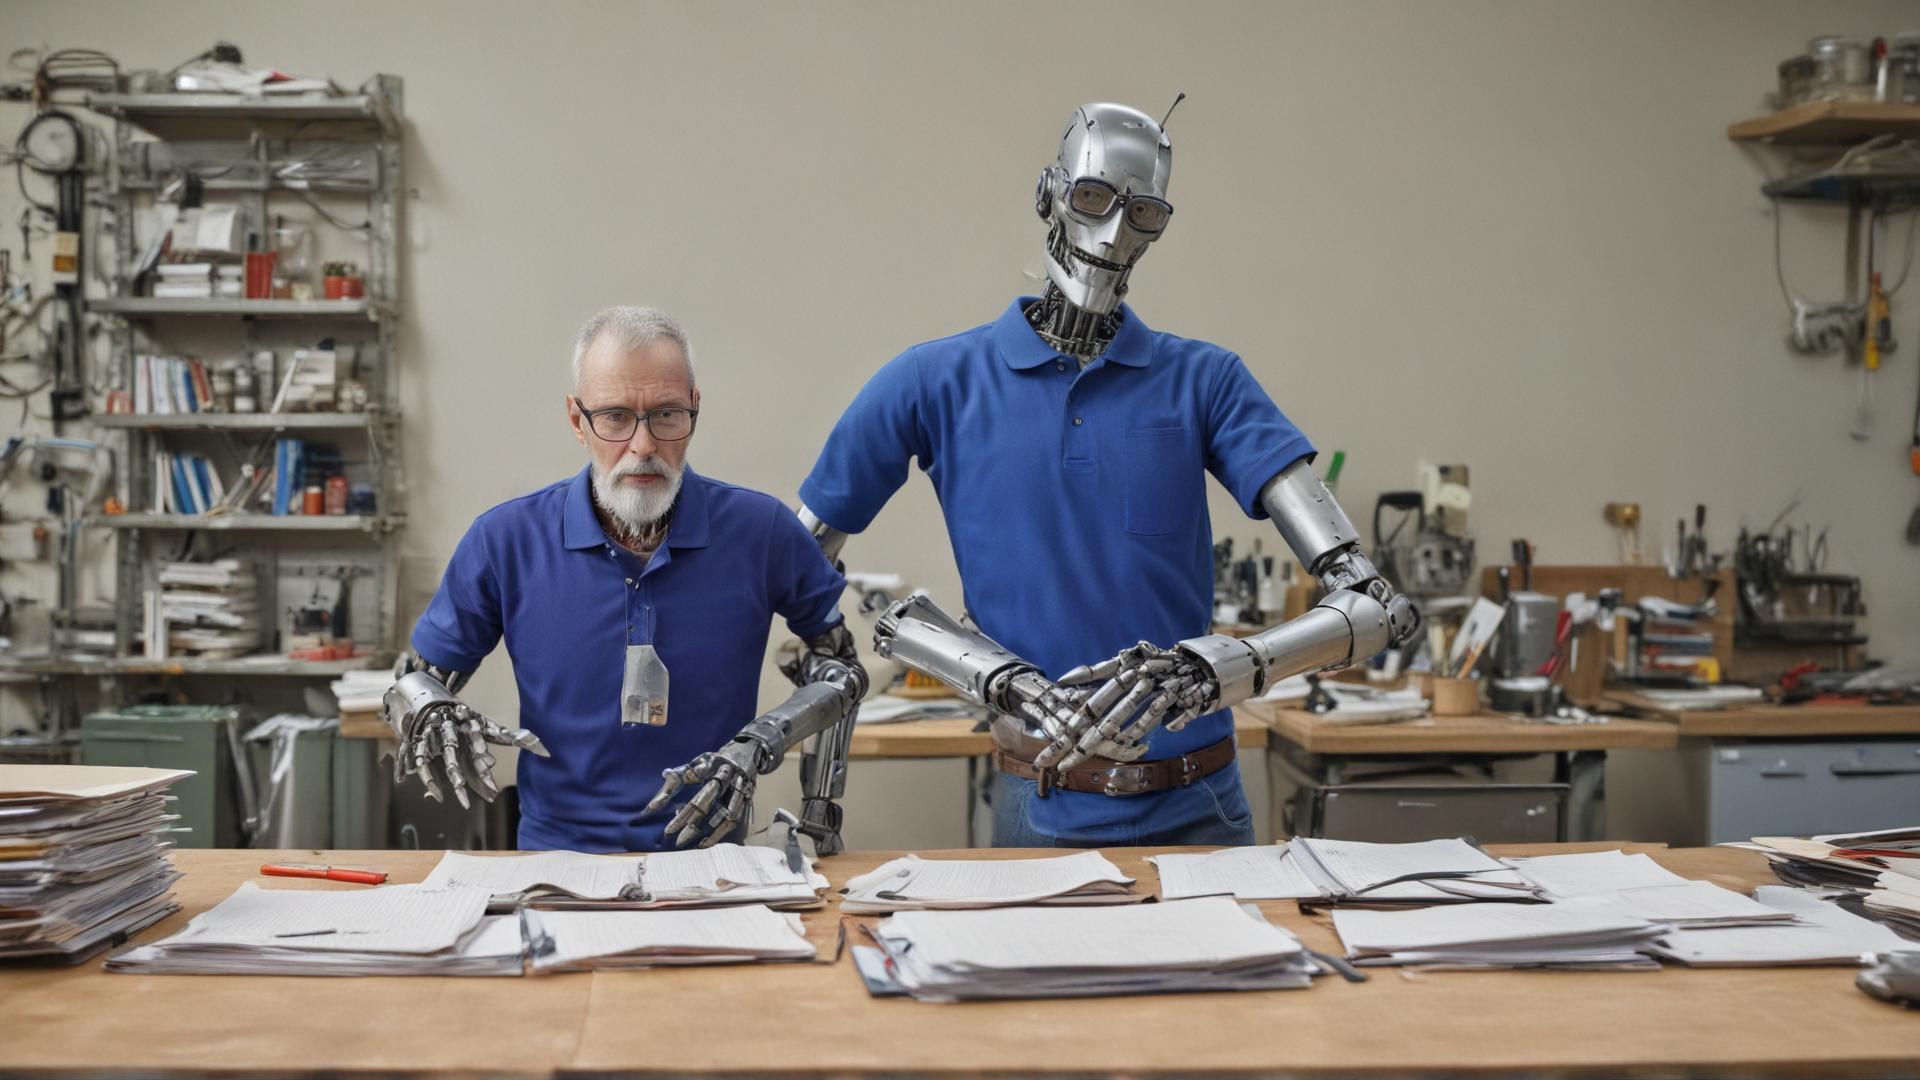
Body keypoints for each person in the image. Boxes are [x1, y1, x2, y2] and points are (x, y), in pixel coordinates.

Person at [798, 103, 1415, 848]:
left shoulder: (1207, 380)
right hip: (1040, 801)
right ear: (1049, 194)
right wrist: (926, 658)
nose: (1116, 231)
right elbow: (793, 569)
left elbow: (1376, 604)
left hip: (1202, 801)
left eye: (1144, 212)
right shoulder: (932, 381)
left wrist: (1219, 668)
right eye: (1094, 198)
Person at [383, 306, 866, 853]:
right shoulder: (504, 540)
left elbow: (840, 668)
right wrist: (429, 708)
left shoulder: (763, 531)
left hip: (714, 868)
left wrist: (770, 754)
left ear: (694, 409)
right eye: (615, 417)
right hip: (555, 865)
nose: (643, 446)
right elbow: (412, 683)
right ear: (577, 420)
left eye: (666, 415)